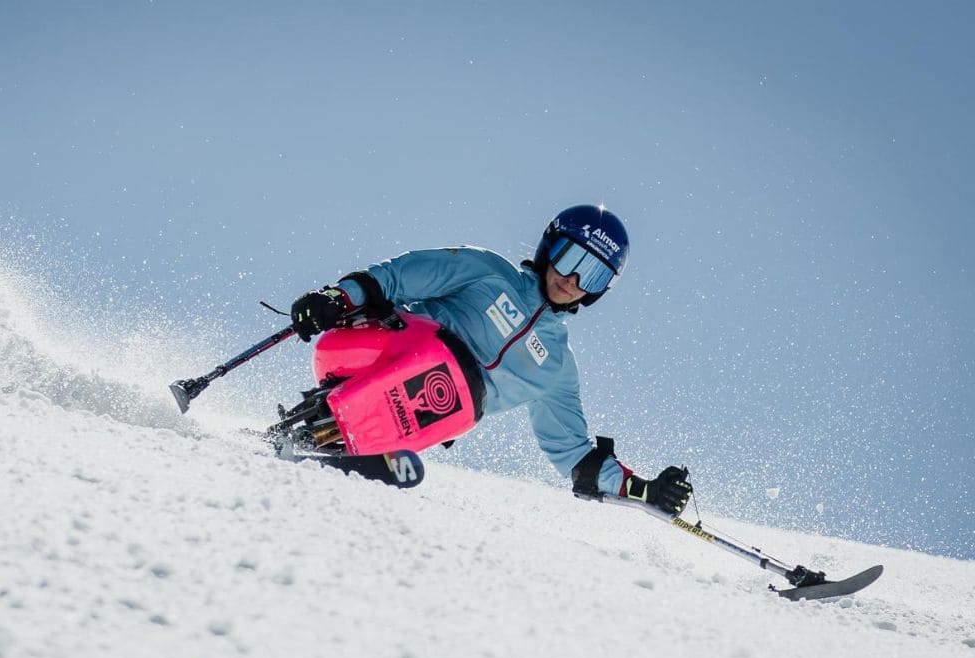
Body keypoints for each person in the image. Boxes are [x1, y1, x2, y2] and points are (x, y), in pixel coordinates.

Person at [287, 204, 693, 516]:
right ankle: (327, 418)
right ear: (550, 248)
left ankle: (355, 448)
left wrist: (647, 491)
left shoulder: (555, 367)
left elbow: (574, 455)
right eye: (571, 259)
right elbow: (396, 277)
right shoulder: (486, 271)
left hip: (419, 411)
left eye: (593, 275)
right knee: (439, 359)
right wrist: (337, 298)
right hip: (371, 354)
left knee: (463, 398)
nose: (572, 281)